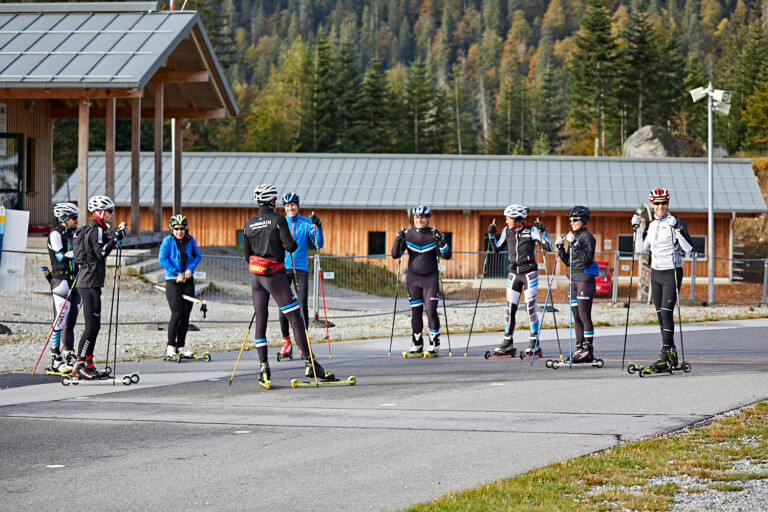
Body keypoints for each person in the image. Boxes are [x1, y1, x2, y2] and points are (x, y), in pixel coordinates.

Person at [243, 184, 335, 385]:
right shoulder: (279, 220)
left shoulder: (248, 224)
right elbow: (290, 246)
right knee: (295, 317)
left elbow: (247, 255)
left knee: (261, 321)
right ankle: (310, 364)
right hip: (275, 274)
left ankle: (264, 368)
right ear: (273, 201)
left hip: (256, 277)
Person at [632, 188, 693, 371]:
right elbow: (640, 248)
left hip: (672, 272)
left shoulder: (676, 221)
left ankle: (665, 352)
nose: (660, 206)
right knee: (660, 315)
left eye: (664, 203)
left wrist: (677, 229)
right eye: (657, 203)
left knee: (667, 313)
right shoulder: (651, 225)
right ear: (652, 204)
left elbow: (689, 248)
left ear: (668, 203)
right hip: (656, 273)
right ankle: (670, 354)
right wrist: (636, 229)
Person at [488, 204, 553, 356]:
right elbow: (495, 249)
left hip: (529, 274)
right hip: (513, 274)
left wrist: (544, 231)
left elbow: (549, 247)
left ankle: (534, 343)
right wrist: (491, 235)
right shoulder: (506, 231)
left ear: (517, 219)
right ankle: (507, 342)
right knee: (510, 309)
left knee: (530, 308)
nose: (506, 221)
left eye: (508, 218)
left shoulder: (531, 230)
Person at [72, 195, 126, 380]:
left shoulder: (97, 230)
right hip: (89, 282)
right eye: (110, 211)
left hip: (89, 282)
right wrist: (116, 238)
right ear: (100, 213)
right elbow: (101, 253)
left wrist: (115, 236)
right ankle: (79, 365)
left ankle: (89, 363)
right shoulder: (97, 231)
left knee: (95, 326)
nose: (112, 214)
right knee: (91, 327)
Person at [391, 205, 452, 356]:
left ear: (428, 219)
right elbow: (395, 255)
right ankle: (417, 343)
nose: (419, 220)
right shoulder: (408, 234)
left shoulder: (434, 234)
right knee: (416, 311)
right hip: (413, 279)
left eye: (422, 218)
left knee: (430, 311)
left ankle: (434, 343)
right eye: (417, 217)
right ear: (413, 219)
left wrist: (441, 241)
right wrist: (398, 240)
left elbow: (447, 255)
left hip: (430, 279)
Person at [277, 192, 323, 359]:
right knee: (283, 306)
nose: (291, 208)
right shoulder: (280, 222)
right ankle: (286, 343)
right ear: (285, 208)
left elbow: (318, 244)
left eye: (293, 205)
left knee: (302, 306)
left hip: (301, 268)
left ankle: (304, 346)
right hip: (282, 268)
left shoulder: (306, 222)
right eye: (287, 206)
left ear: (298, 206)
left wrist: (318, 226)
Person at [556, 206, 598, 363]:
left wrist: (575, 244)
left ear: (583, 221)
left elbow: (587, 260)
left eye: (575, 220)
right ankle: (579, 347)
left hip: (584, 280)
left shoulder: (587, 238)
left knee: (584, 315)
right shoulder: (574, 237)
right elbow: (569, 262)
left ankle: (588, 349)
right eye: (570, 220)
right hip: (573, 279)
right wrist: (560, 248)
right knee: (576, 317)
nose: (572, 222)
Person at [159, 214, 202, 359]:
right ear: (172, 229)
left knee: (185, 314)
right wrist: (176, 273)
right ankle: (170, 346)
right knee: (176, 313)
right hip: (173, 281)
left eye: (182, 229)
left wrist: (190, 268)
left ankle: (180, 346)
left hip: (188, 280)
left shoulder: (190, 240)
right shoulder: (167, 241)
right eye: (176, 229)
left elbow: (197, 256)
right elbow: (162, 259)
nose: (179, 232)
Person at [45, 202, 81, 373]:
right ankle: (55, 358)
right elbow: (60, 256)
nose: (77, 220)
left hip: (75, 279)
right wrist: (80, 252)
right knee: (59, 320)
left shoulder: (74, 233)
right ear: (64, 218)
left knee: (71, 321)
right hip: (61, 280)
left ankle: (69, 353)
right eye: (74, 218)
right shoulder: (55, 233)